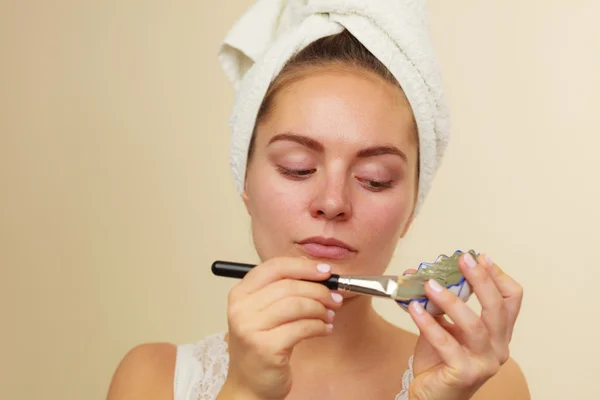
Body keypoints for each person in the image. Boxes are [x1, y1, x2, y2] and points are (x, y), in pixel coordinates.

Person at [106, 1, 529, 399]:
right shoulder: (153, 379)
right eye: (297, 167)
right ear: (245, 182)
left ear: (411, 208)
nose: (332, 202)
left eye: (374, 179)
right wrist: (245, 391)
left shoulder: (487, 384)